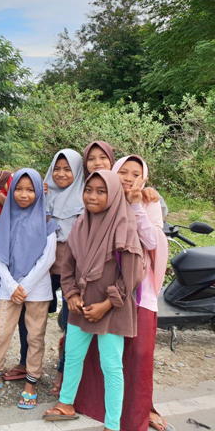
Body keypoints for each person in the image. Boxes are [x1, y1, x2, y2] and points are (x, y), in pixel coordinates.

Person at [73, 156, 171, 431]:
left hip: (141, 292)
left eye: (135, 173)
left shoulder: (150, 203)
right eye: (123, 172)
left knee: (139, 353)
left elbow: (152, 241)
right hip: (107, 288)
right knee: (107, 353)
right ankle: (98, 407)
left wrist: (137, 205)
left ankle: (141, 410)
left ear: (145, 178)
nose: (129, 177)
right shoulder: (106, 199)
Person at [43, 170, 144, 431]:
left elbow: (132, 274)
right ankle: (66, 403)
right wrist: (72, 295)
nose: (93, 196)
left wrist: (107, 304)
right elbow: (68, 267)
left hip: (112, 308)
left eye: (101, 191)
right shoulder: (80, 223)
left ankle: (112, 424)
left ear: (113, 194)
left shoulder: (125, 224)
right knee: (73, 355)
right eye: (89, 190)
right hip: (81, 305)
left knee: (111, 366)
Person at [0, 169, 57, 408]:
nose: (24, 195)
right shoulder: (5, 219)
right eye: (19, 189)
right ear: (11, 191)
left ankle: (31, 383)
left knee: (35, 336)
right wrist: (13, 285)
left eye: (30, 189)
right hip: (8, 287)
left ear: (38, 192)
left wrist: (24, 285)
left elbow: (48, 258)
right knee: (0, 333)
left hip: (37, 289)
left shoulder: (47, 221)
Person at [43, 149, 85, 396]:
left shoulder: (86, 196)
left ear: (77, 171)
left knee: (71, 324)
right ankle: (28, 364)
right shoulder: (43, 193)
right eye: (56, 168)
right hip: (45, 269)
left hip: (74, 271)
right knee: (34, 319)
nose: (60, 174)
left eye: (67, 169)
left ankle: (63, 371)